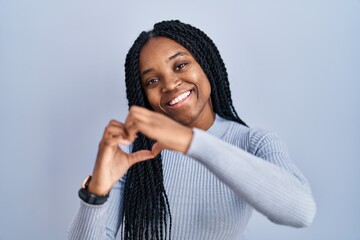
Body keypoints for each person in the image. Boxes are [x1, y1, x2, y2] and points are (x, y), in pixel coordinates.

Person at [67, 20, 316, 240]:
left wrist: (192, 141)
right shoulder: (131, 153)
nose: (170, 84)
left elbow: (301, 212)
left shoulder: (253, 143)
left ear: (206, 65)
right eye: (152, 81)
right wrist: (95, 194)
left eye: (180, 65)